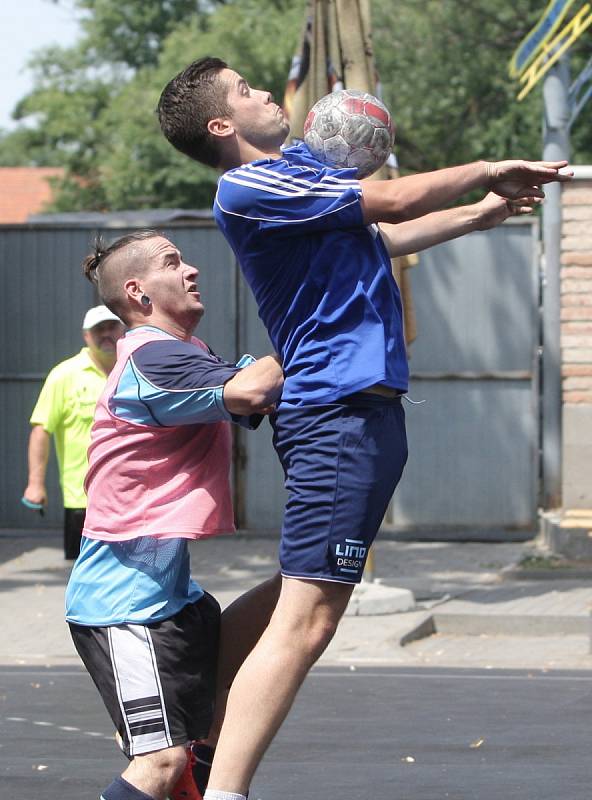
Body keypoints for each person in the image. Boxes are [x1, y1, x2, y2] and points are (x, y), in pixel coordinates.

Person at [157, 56, 572, 800]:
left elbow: (386, 239)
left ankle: (196, 689)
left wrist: (484, 210)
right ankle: (217, 783)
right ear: (221, 125)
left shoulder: (302, 183)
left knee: (305, 586)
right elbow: (398, 198)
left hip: (362, 413)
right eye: (246, 90)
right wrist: (486, 167)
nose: (265, 94)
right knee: (312, 619)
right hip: (334, 415)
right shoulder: (250, 186)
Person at [66, 230, 284, 800]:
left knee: (301, 597)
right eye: (172, 262)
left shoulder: (186, 355)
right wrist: (315, 328)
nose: (191, 269)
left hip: (175, 599)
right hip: (122, 609)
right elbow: (257, 387)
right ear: (138, 293)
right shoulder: (153, 360)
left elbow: (255, 389)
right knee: (160, 764)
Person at [23, 305, 125, 559]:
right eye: (98, 329)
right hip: (83, 500)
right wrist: (35, 484)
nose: (106, 334)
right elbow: (41, 429)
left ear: (123, 329)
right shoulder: (64, 375)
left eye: (111, 327)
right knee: (84, 576)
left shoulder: (134, 370)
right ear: (86, 336)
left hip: (131, 497)